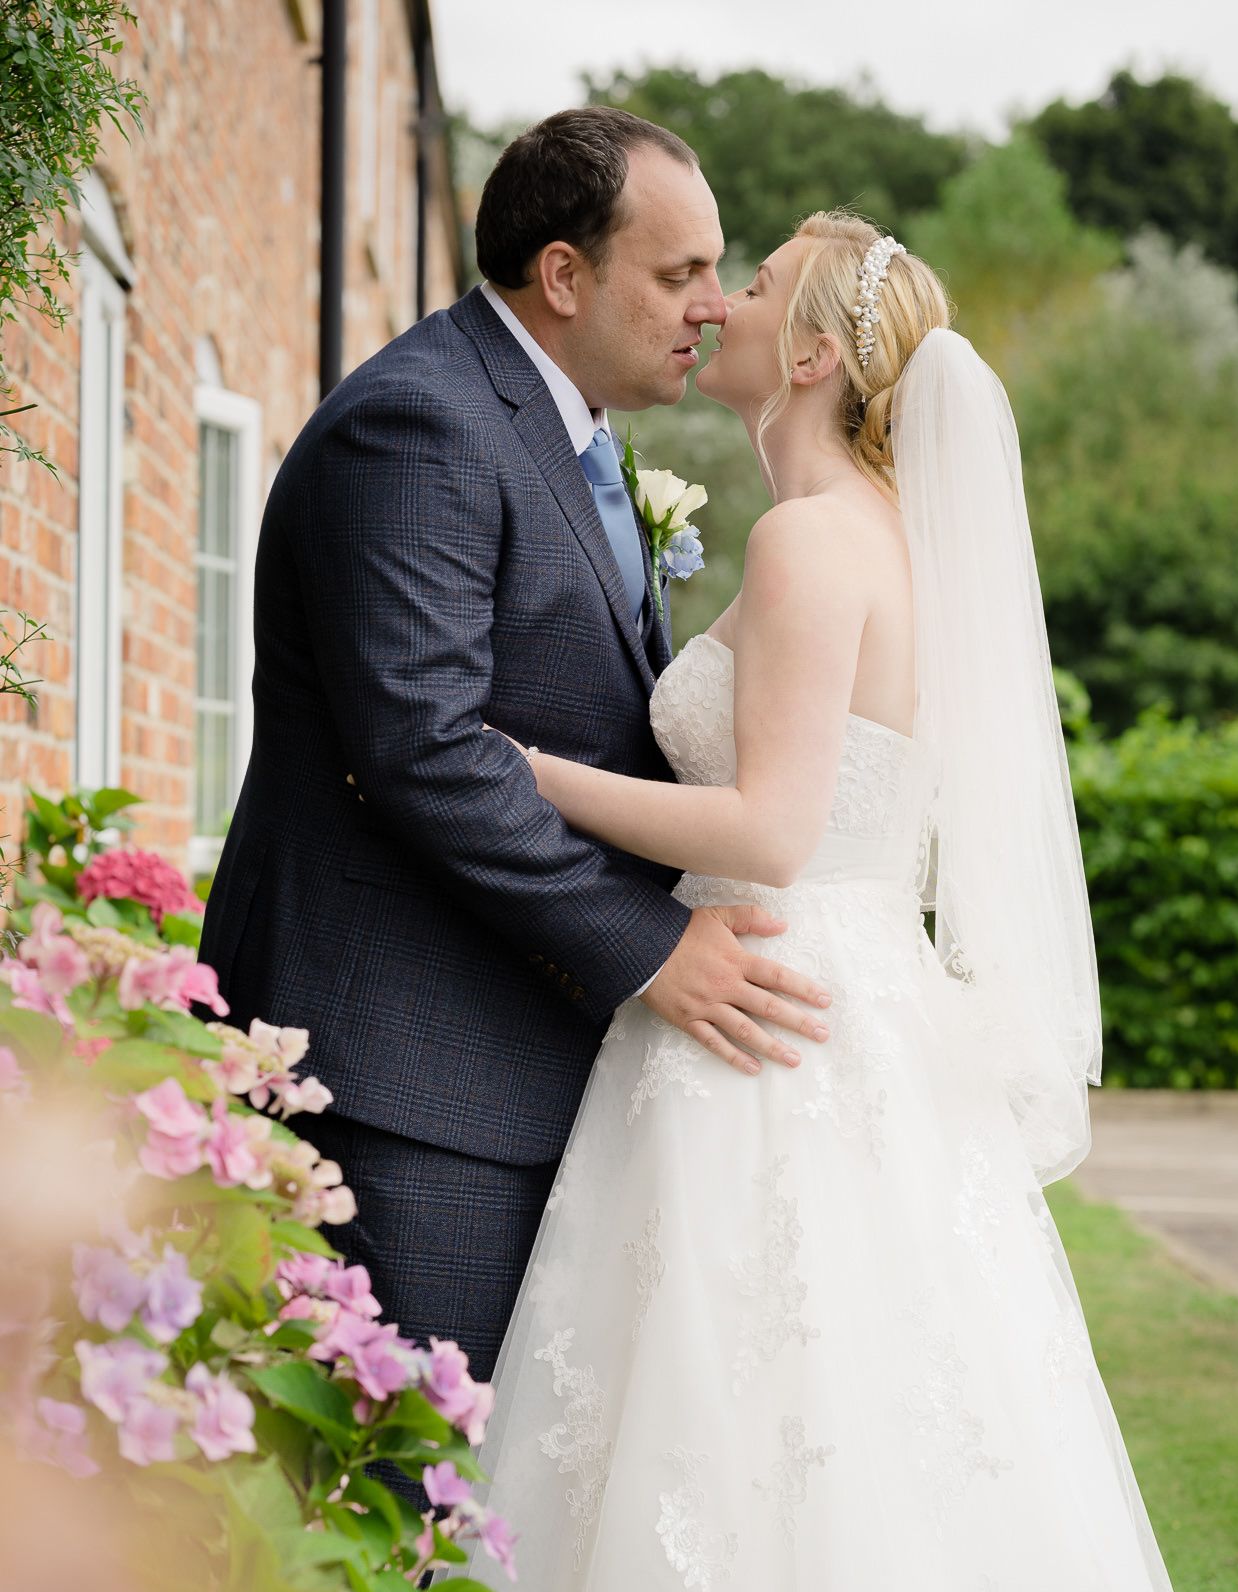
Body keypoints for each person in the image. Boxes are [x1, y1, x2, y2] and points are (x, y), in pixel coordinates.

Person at [403, 211, 1238, 1592]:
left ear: (810, 355)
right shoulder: (872, 536)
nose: (716, 304)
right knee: (853, 1429)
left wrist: (507, 766)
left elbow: (771, 831)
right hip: (847, 1018)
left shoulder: (815, 539)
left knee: (742, 1419)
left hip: (774, 1017)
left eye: (755, 282)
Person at [198, 110, 832, 1505]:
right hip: (405, 1077)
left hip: (512, 1056)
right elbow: (422, 747)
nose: (709, 309)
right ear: (561, 274)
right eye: (677, 275)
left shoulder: (565, 436)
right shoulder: (420, 425)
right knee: (396, 1501)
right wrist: (650, 947)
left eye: (717, 274)